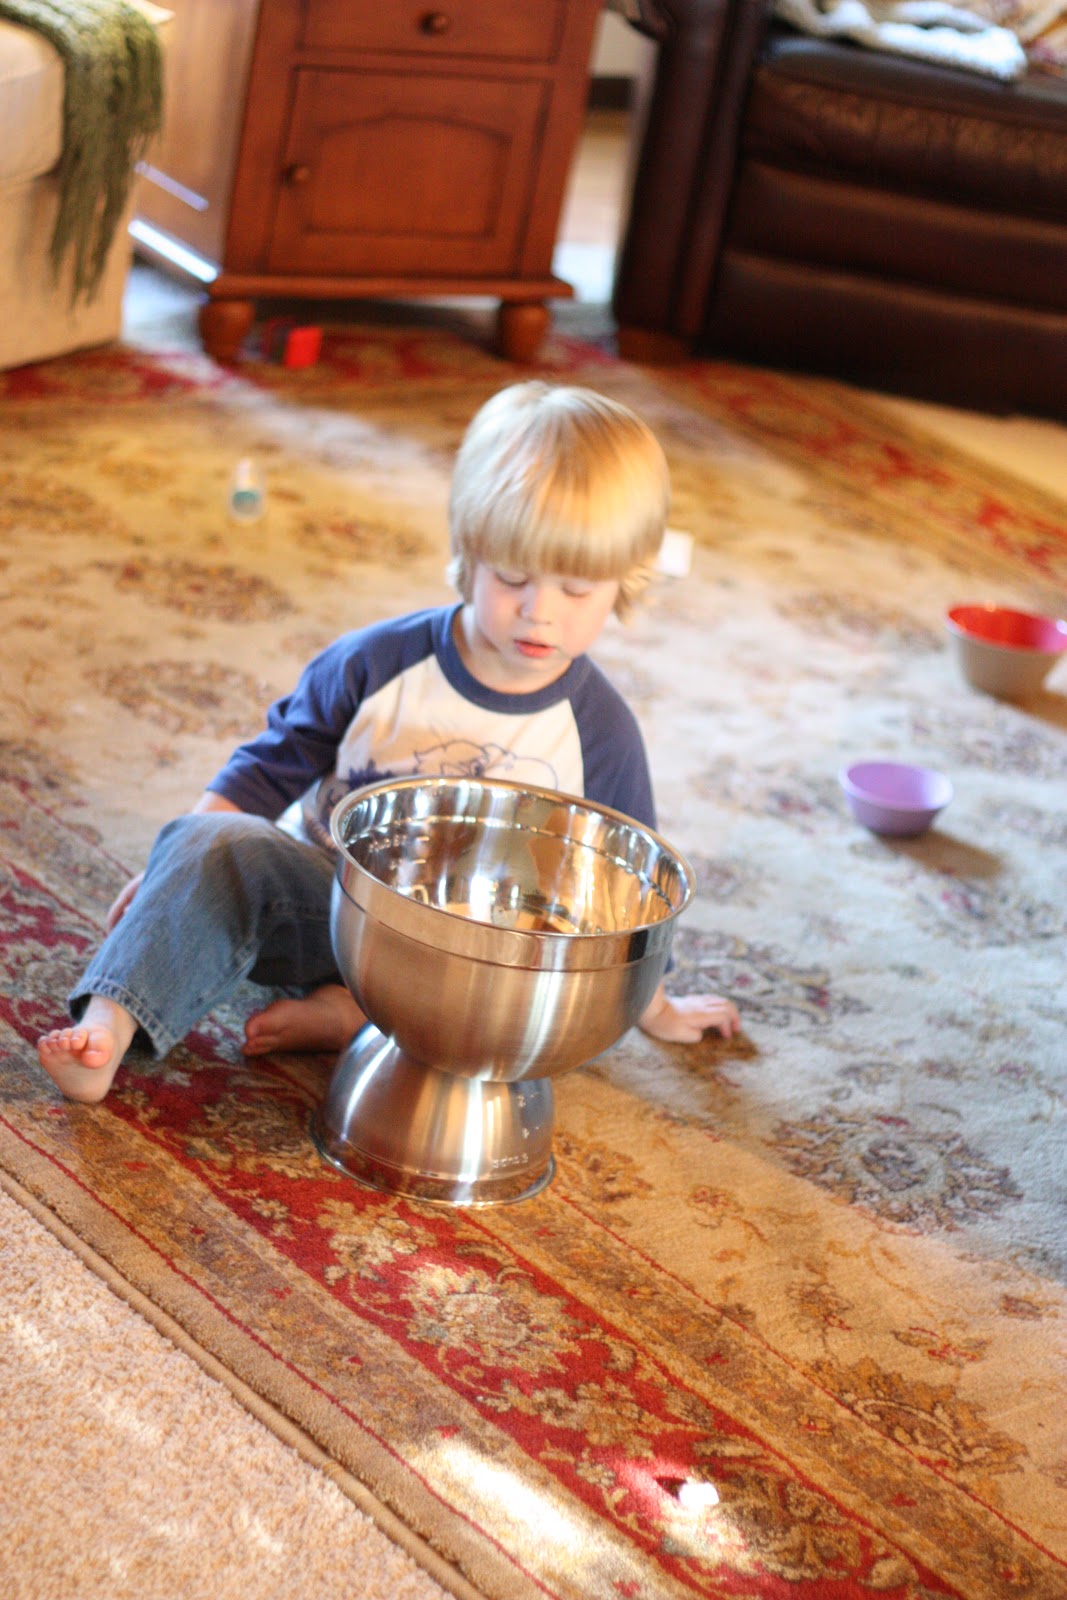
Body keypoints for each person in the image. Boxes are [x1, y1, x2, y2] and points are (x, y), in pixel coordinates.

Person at [37, 381, 740, 1103]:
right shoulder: (374, 661)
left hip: (466, 971)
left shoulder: (601, 732)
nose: (539, 613)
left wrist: (657, 1009)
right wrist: (177, 867)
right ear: (468, 552)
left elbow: (631, 902)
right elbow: (266, 770)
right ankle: (107, 1030)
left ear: (623, 585)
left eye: (576, 590)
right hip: (325, 911)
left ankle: (352, 1016)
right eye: (513, 577)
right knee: (211, 846)